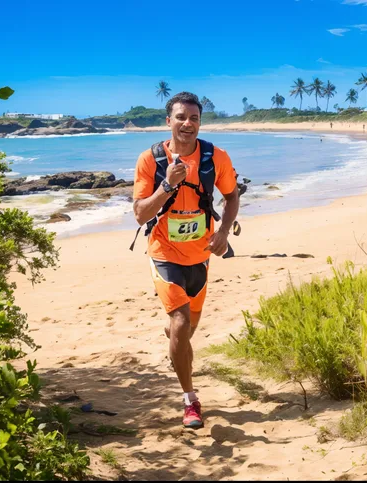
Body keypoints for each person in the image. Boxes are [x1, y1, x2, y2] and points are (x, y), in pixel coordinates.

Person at [132, 92, 240, 429]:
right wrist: (167, 184)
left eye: (193, 118)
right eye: (181, 117)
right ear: (169, 121)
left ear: (199, 122)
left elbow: (232, 195)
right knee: (180, 323)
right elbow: (139, 215)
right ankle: (190, 399)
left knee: (185, 330)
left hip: (201, 257)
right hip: (163, 253)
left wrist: (222, 231)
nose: (187, 123)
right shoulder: (150, 160)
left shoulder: (214, 157)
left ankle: (175, 337)